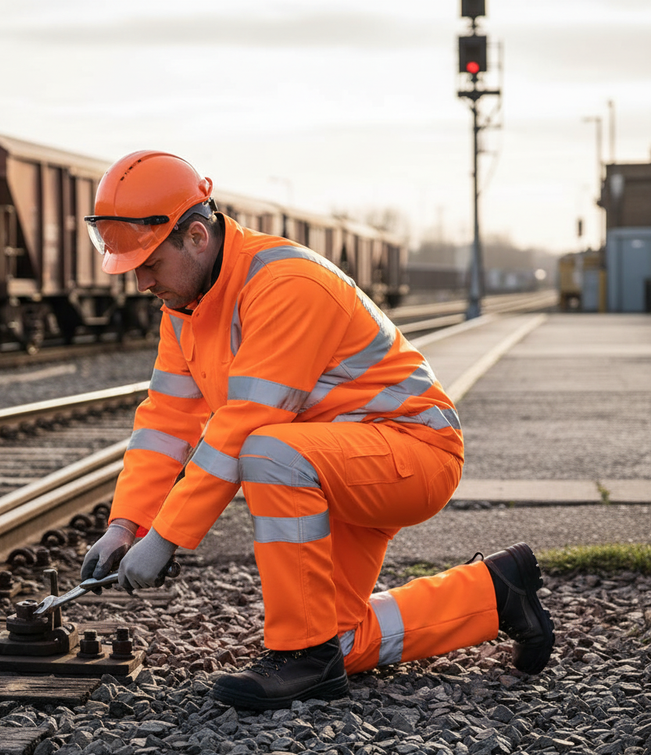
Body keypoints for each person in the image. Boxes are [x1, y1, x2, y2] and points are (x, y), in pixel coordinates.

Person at [80, 150, 555, 711]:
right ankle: (499, 593)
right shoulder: (185, 308)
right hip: (333, 463)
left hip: (409, 452)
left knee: (266, 450)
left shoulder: (285, 283)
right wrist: (127, 524)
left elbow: (243, 426)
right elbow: (164, 422)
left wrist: (167, 538)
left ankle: (301, 657)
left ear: (198, 236)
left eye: (150, 263)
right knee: (343, 640)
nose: (140, 282)